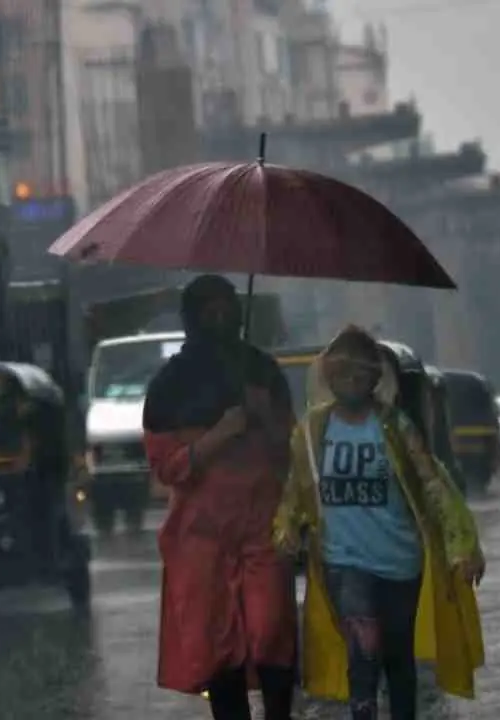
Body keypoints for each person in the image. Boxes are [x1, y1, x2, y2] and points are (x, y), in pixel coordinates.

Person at [273, 325, 486, 720]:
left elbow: (434, 483)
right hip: (343, 562)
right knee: (362, 649)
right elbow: (297, 489)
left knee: (396, 656)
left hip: (400, 560)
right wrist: (286, 528)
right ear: (328, 377)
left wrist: (462, 544)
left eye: (360, 373)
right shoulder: (311, 431)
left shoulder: (397, 428)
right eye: (341, 373)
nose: (351, 380)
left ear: (375, 378)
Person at [141, 274, 298, 720]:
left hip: (262, 525)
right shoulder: (169, 385)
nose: (220, 317)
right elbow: (167, 468)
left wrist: (263, 418)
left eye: (226, 307)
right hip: (200, 537)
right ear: (192, 318)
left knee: (271, 634)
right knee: (217, 647)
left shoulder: (262, 372)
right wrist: (221, 434)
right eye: (208, 309)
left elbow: (288, 449)